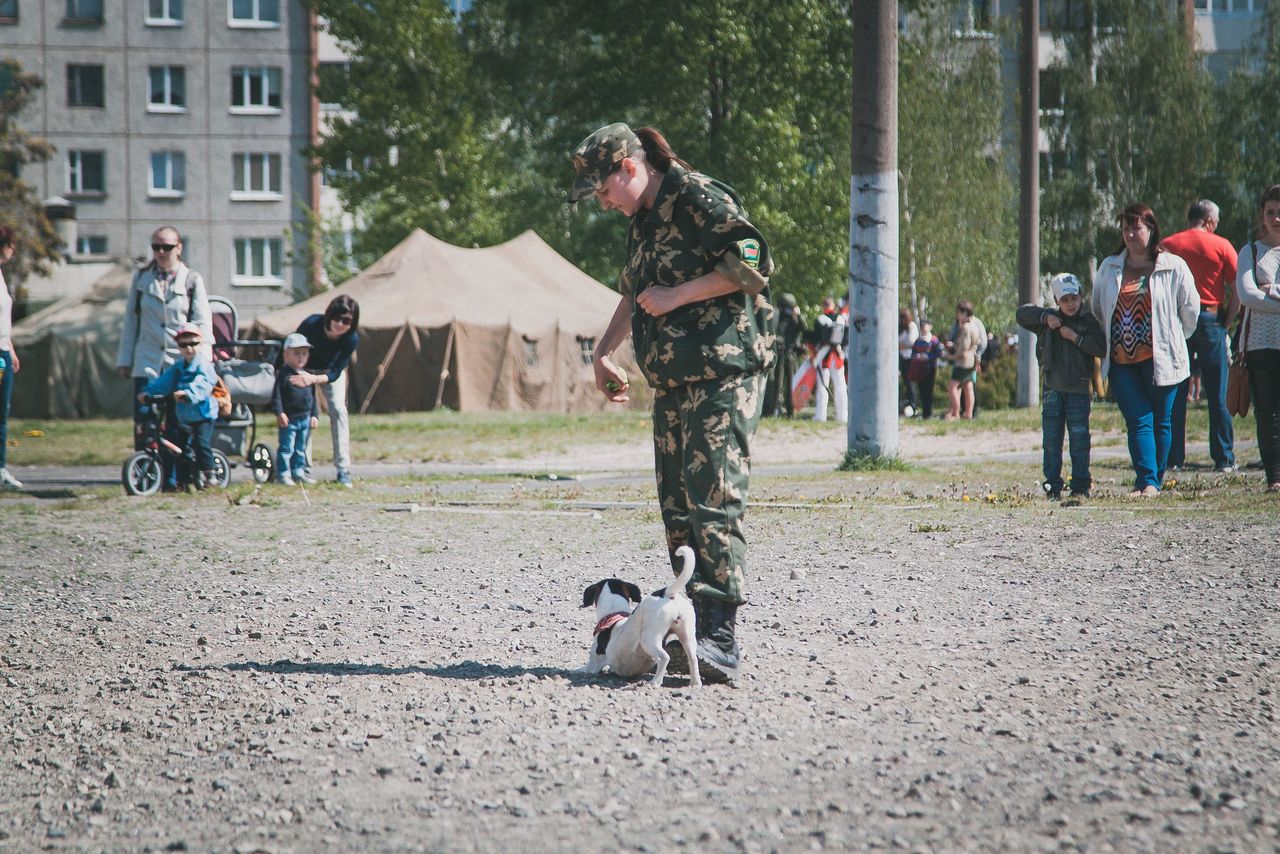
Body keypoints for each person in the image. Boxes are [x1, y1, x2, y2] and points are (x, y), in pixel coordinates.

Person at [569, 121, 776, 684]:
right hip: (674, 381)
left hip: (723, 373)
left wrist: (678, 295)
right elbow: (634, 291)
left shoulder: (698, 197)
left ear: (630, 168)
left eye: (605, 190)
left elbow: (753, 263)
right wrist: (604, 353)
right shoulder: (642, 220)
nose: (604, 204)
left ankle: (720, 637)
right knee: (678, 505)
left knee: (713, 495)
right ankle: (691, 629)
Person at [1092, 203, 1199, 497]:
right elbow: (1098, 308)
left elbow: (1190, 310)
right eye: (1125, 228)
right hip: (1121, 360)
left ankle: (1152, 481)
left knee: (1161, 422)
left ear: (1151, 229)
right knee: (1138, 419)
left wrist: (1174, 338)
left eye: (1136, 228)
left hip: (1161, 358)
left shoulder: (1173, 266)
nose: (1130, 234)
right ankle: (1147, 480)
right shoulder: (1109, 266)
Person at [116, 226, 212, 451]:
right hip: (147, 359)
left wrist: (204, 361)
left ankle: (173, 466)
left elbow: (202, 322)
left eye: (166, 247)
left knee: (175, 420)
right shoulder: (142, 278)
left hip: (180, 361)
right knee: (144, 416)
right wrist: (125, 359)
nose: (160, 252)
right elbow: (131, 321)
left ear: (178, 248)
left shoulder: (191, 279)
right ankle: (145, 464)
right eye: (156, 247)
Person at [1162, 199, 1239, 473]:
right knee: (1218, 391)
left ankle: (1173, 458)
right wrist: (1226, 322)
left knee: (1176, 390)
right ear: (1209, 221)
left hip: (1176, 321)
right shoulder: (1221, 245)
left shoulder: (1168, 244)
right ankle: (1224, 458)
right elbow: (1237, 289)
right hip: (1210, 318)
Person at [1016, 273, 1106, 499]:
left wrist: (1076, 338)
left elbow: (1101, 348)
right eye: (1064, 300)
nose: (1070, 304)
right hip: (1052, 390)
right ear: (1057, 301)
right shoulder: (1049, 321)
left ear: (1081, 296)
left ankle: (1080, 485)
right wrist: (1046, 317)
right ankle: (1052, 486)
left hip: (1078, 390)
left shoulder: (1088, 321)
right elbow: (1021, 314)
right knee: (1051, 441)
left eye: (1074, 298)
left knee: (1079, 440)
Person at [1234, 184, 1280, 492]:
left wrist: (1271, 291)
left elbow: (1260, 294)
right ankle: (1275, 476)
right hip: (1261, 344)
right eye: (1270, 212)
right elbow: (1247, 294)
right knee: (1267, 412)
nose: (1276, 218)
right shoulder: (1250, 252)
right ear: (1262, 216)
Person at [139, 322, 220, 489]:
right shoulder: (178, 367)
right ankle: (184, 480)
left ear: (200, 344)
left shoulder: (204, 365)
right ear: (179, 347)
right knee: (178, 448)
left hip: (203, 415)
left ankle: (210, 474)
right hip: (184, 416)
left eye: (193, 343)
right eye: (184, 345)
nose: (189, 348)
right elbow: (164, 382)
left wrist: (188, 393)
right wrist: (148, 392)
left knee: (201, 443)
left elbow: (203, 383)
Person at [290, 295, 360, 487]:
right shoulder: (311, 325)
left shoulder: (351, 339)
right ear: (329, 315)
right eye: (337, 318)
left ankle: (343, 469)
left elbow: (336, 372)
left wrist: (315, 379)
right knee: (304, 414)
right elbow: (292, 348)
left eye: (346, 321)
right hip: (304, 370)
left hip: (329, 373)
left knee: (338, 410)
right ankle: (302, 467)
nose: (340, 324)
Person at [272, 332, 320, 486]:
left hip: (304, 418)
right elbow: (277, 396)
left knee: (301, 448)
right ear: (286, 355)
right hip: (289, 419)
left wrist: (314, 415)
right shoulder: (283, 375)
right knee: (287, 448)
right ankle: (283, 473)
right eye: (297, 353)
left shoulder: (307, 376)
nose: (301, 357)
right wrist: (280, 412)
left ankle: (298, 471)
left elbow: (313, 398)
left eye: (304, 353)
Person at [0, 225, 21, 489]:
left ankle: (0, 468)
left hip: (3, 350)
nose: (12, 250)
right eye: (11, 245)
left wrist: (10, 347)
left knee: (2, 411)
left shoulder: (2, 276)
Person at [765, 292, 805, 418]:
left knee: (792, 383)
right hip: (779, 354)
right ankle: (773, 410)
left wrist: (798, 315)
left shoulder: (795, 319)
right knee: (776, 384)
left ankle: (790, 411)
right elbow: (772, 332)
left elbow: (803, 328)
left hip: (790, 354)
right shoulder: (777, 317)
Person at [809, 297, 848, 423]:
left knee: (823, 387)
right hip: (836, 355)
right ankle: (842, 416)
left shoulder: (820, 319)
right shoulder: (840, 318)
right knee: (840, 387)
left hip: (825, 356)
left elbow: (816, 339)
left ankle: (821, 416)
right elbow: (845, 338)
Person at [945, 301, 981, 420]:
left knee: (952, 386)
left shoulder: (965, 327)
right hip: (972, 360)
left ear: (964, 313)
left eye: (959, 313)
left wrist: (952, 357)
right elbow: (978, 343)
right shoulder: (974, 326)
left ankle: (955, 413)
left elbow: (963, 348)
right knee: (968, 386)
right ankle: (969, 414)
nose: (958, 315)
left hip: (963, 361)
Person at [907, 320, 945, 419]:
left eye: (925, 325)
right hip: (920, 369)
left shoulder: (934, 340)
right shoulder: (918, 341)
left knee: (929, 390)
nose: (923, 328)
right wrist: (917, 356)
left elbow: (939, 353)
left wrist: (928, 356)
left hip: (930, 368)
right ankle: (924, 412)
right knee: (922, 390)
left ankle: (929, 413)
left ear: (930, 327)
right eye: (922, 326)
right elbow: (913, 353)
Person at [898, 308, 919, 416]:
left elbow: (911, 342)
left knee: (910, 383)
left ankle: (914, 405)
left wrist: (900, 345)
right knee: (906, 382)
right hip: (902, 357)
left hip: (911, 358)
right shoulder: (900, 328)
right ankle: (908, 403)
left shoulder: (912, 326)